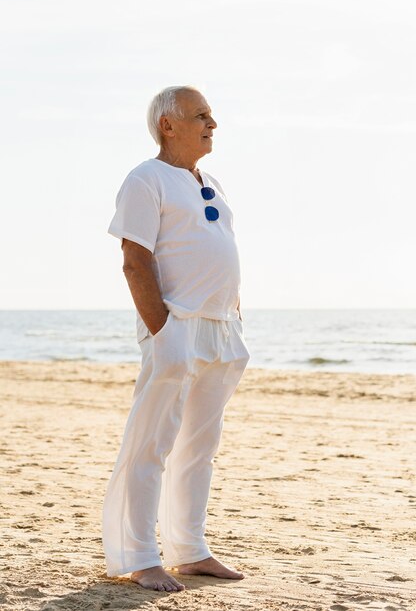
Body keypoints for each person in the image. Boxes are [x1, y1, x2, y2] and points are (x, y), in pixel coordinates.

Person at [102, 85, 250, 593]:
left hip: (221, 331)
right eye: (201, 115)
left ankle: (191, 550)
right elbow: (134, 260)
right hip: (178, 326)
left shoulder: (212, 182)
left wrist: (234, 317)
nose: (213, 122)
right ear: (169, 124)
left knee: (199, 446)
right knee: (152, 444)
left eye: (211, 114)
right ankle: (141, 556)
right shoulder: (146, 179)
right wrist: (163, 331)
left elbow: (220, 252)